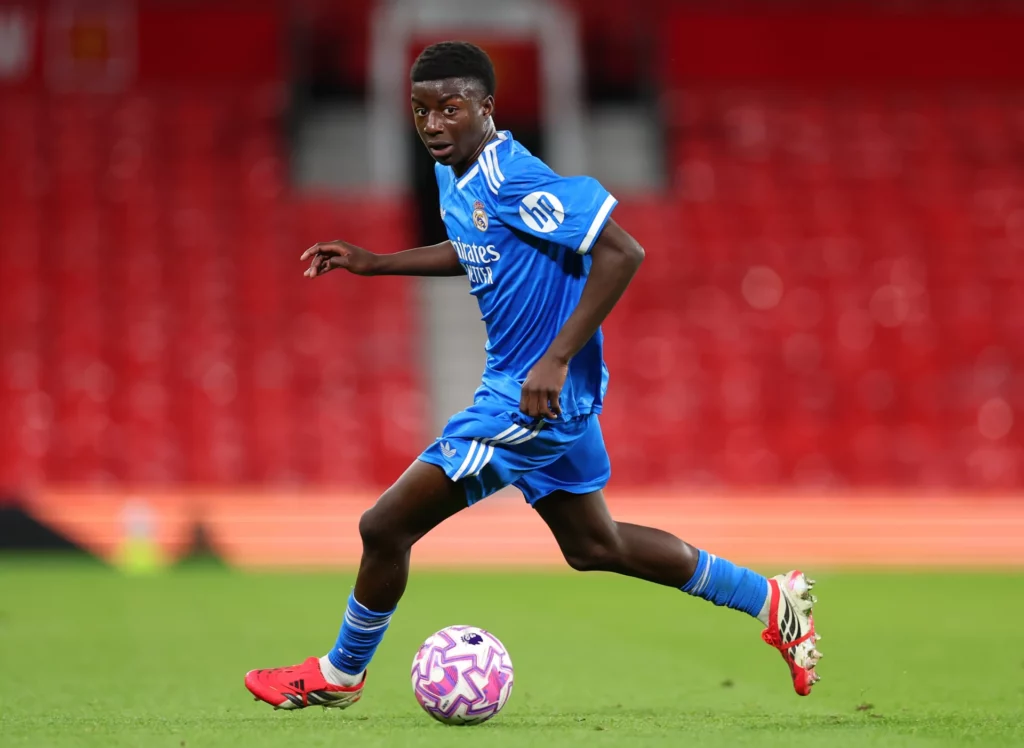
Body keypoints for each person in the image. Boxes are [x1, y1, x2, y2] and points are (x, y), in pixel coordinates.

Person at [244, 41, 821, 711]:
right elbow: (477, 247)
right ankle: (773, 600)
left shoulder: (514, 176)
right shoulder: (453, 173)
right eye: (420, 110)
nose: (432, 124)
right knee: (593, 544)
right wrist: (376, 263)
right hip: (539, 393)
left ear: (486, 109)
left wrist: (557, 357)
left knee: (384, 527)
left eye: (450, 108)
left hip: (530, 397)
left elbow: (621, 252)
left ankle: (340, 675)